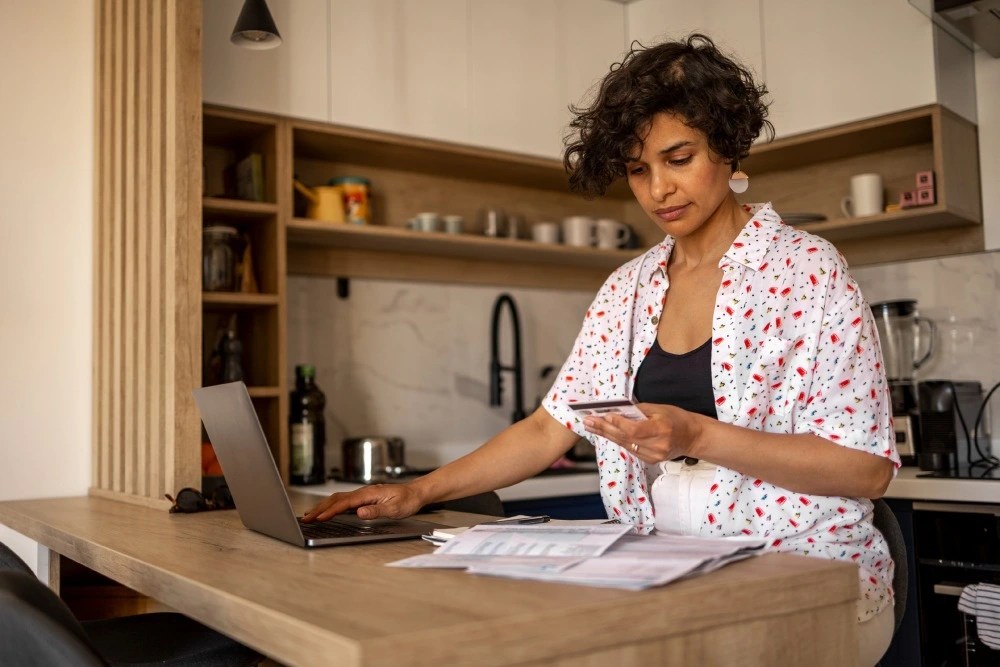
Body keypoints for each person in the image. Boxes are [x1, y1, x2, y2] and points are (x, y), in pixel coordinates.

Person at [304, 34, 899, 666]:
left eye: (679, 158)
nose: (658, 190)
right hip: (669, 581)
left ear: (728, 146)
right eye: (639, 170)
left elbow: (866, 470)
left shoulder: (807, 271)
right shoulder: (628, 288)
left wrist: (696, 435)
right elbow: (547, 427)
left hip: (808, 584)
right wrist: (418, 493)